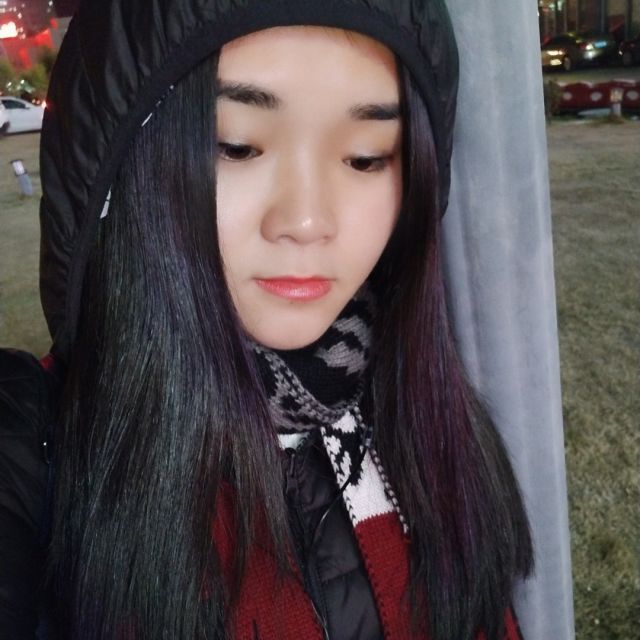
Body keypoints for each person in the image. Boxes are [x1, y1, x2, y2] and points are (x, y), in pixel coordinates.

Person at [0, 1, 534, 638]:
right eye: (237, 147)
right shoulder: (35, 454)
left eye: (366, 158)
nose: (306, 221)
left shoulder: (428, 411)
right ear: (117, 171)